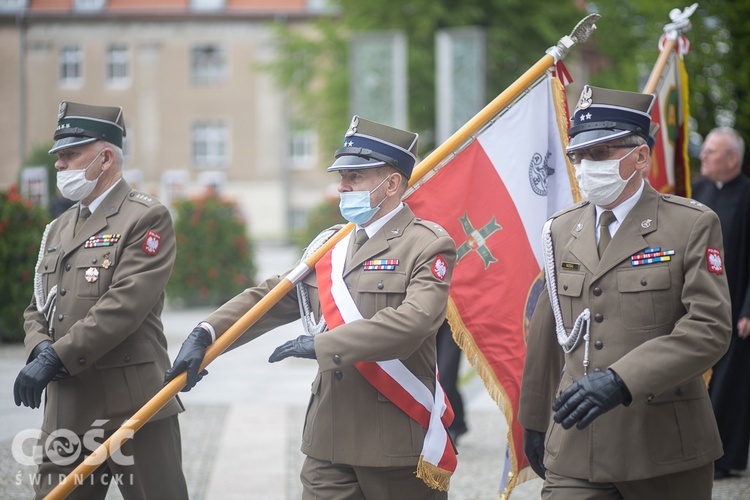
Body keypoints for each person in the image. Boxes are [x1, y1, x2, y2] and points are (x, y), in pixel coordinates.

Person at [165, 115, 457, 499]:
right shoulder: (331, 245)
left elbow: (413, 323)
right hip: (328, 437)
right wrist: (206, 333)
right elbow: (270, 297)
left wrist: (322, 345)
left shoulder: (427, 244)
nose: (342, 186)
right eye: (341, 176)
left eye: (355, 177)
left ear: (391, 183)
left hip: (394, 435)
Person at [518, 85, 731, 499]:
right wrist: (533, 420)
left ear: (640, 157)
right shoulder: (562, 229)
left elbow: (708, 329)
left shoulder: (690, 225)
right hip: (577, 441)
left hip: (662, 444)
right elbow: (548, 331)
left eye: (600, 154)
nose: (584, 167)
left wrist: (621, 379)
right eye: (578, 156)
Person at [14, 101, 188, 499]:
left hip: (132, 403)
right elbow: (37, 305)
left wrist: (53, 358)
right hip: (67, 404)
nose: (59, 165)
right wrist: (40, 348)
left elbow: (124, 304)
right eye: (59, 156)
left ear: (105, 157)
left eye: (70, 154)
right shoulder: (58, 227)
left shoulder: (146, 217)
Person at [693, 127, 750, 479]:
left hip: (735, 310)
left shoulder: (748, 196)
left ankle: (722, 459)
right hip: (696, 307)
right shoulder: (696, 191)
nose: (703, 156)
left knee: (727, 386)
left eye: (711, 152)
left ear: (732, 158)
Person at [436, 320, 468, 444]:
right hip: (427, 315)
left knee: (445, 377)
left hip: (454, 320)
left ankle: (451, 425)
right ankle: (458, 421)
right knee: (433, 374)